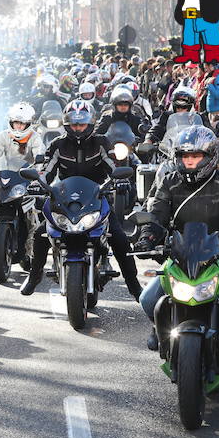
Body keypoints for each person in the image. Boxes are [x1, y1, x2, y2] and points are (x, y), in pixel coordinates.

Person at [133, 126, 219, 372]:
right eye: (184, 156)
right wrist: (147, 237)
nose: (189, 161)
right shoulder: (170, 181)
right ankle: (159, 328)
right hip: (181, 255)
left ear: (210, 156)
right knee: (147, 299)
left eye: (195, 156)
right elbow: (157, 215)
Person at [20, 99, 142, 300]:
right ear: (67, 125)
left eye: (82, 124)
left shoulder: (102, 143)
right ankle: (34, 276)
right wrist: (37, 182)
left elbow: (113, 166)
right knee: (40, 235)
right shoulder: (57, 145)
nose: (78, 129)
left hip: (96, 198)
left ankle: (134, 286)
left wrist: (120, 180)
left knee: (120, 239)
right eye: (75, 125)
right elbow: (46, 171)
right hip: (64, 201)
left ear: (91, 123)